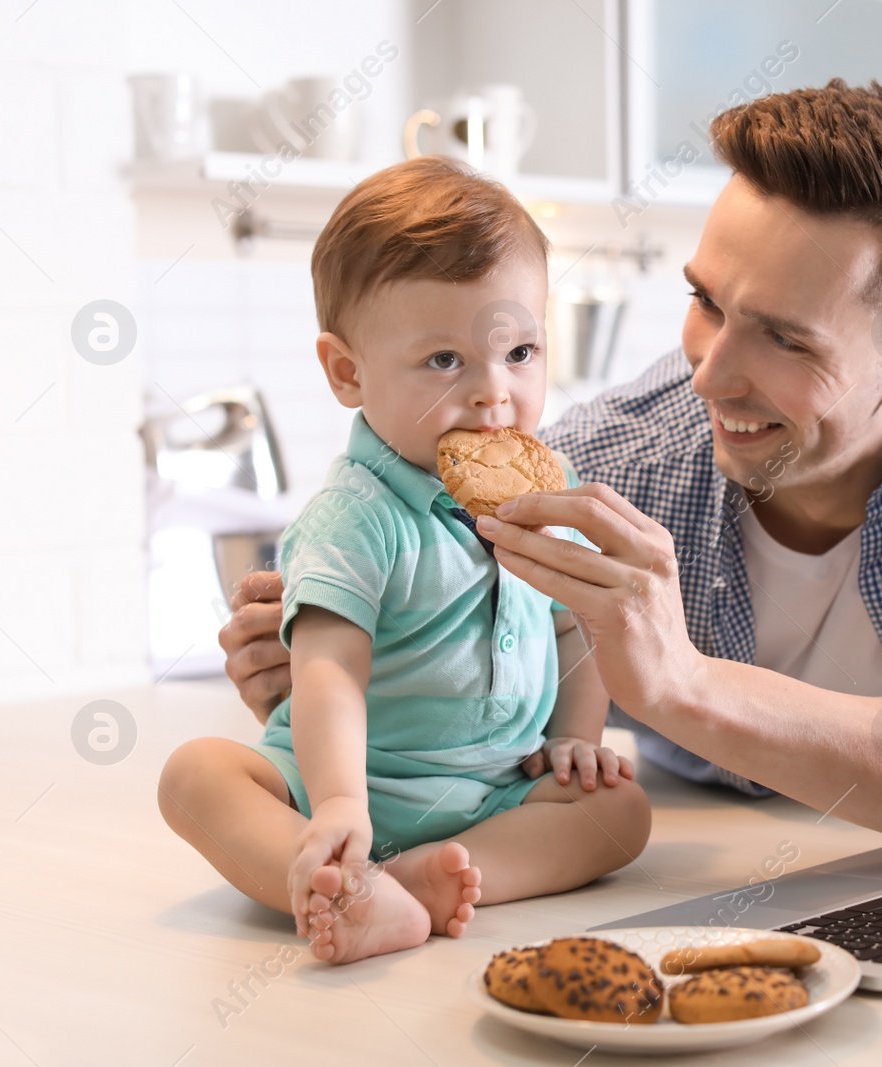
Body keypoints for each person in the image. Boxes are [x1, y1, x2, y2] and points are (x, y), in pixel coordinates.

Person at [219, 80, 882, 849]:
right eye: (706, 300)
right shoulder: (615, 455)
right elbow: (480, 687)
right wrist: (360, 669)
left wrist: (683, 684)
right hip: (719, 870)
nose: (709, 372)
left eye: (783, 337)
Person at [159, 157, 650, 966]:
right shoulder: (354, 517)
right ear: (348, 371)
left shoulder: (550, 488)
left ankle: (435, 879)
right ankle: (333, 863)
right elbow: (328, 675)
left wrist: (575, 737)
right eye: (447, 361)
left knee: (620, 810)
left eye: (521, 351)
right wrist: (341, 800)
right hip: (343, 782)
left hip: (494, 790)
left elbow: (577, 623)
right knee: (195, 773)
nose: (496, 394)